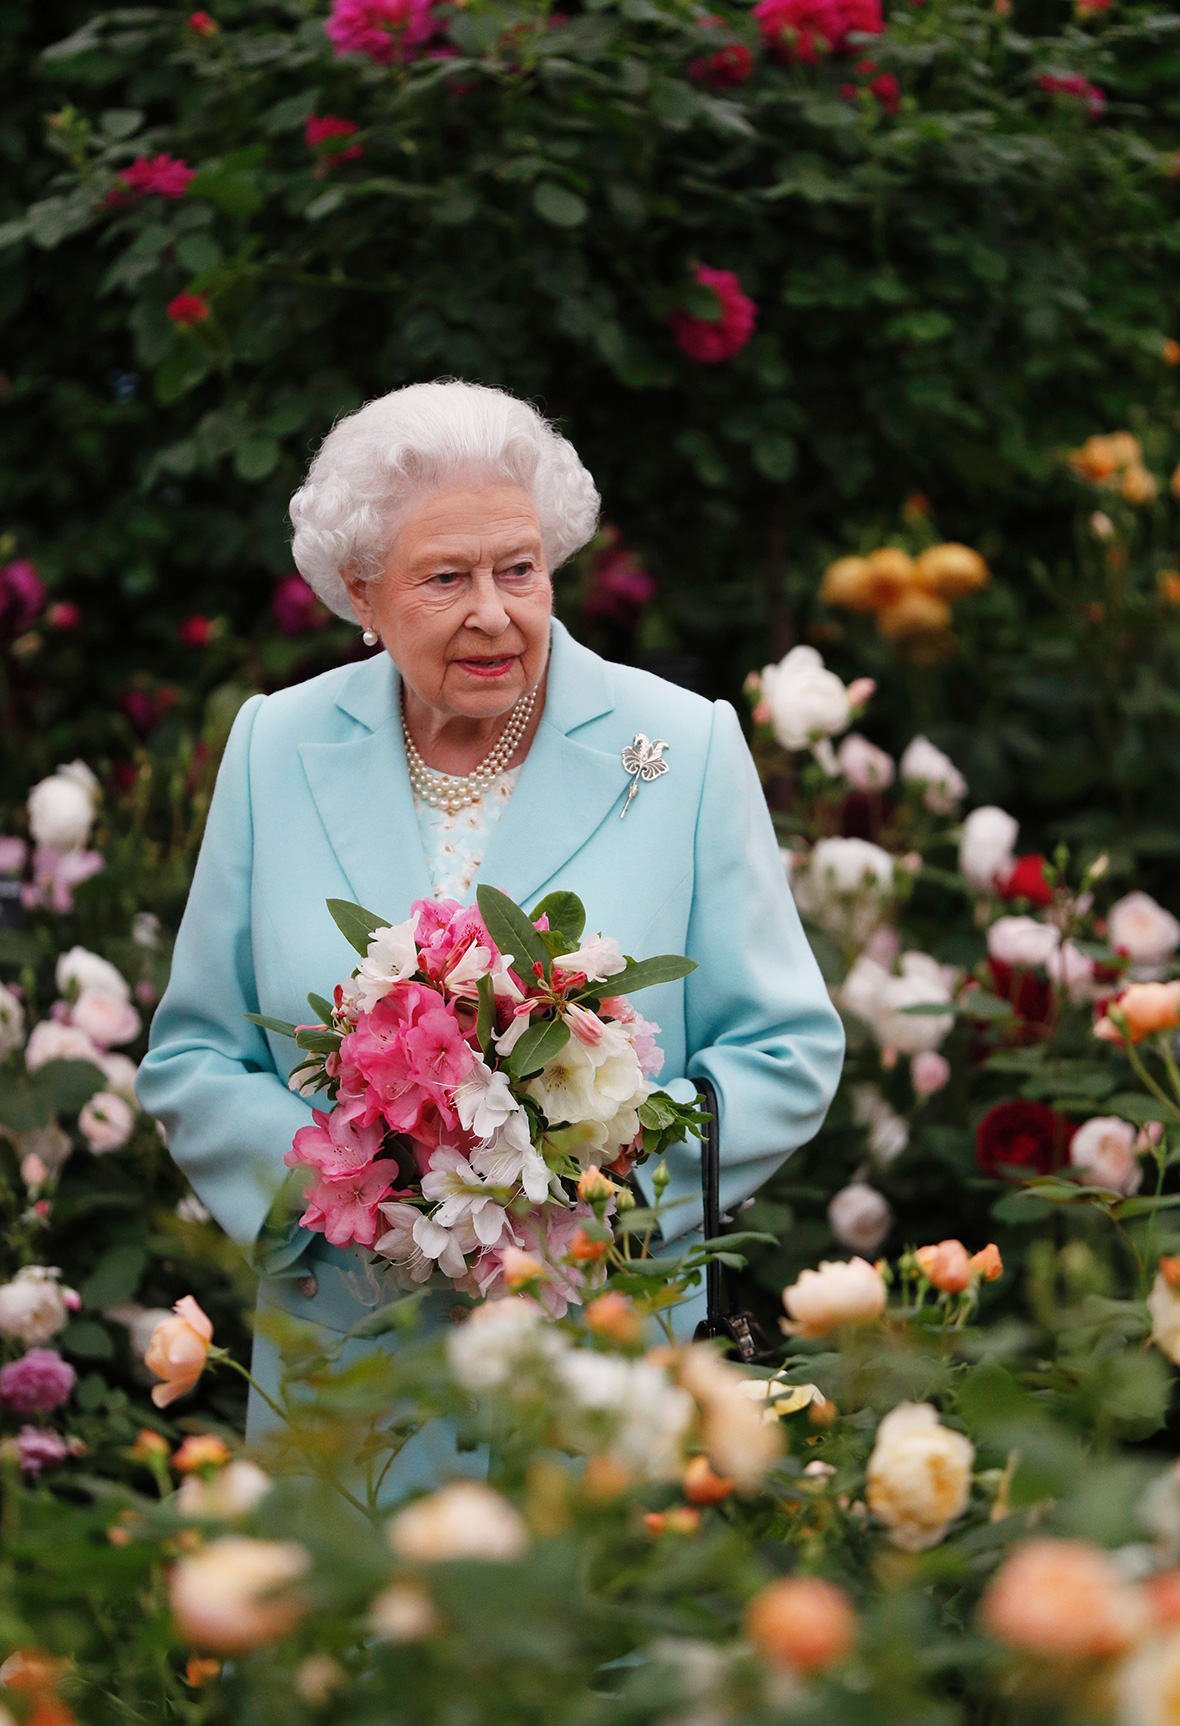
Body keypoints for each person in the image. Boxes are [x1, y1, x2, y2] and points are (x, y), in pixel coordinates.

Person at [137, 379, 844, 1474]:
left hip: (603, 1343)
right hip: (352, 1354)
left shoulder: (681, 745)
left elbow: (786, 1051)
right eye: (445, 577)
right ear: (362, 592)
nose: (494, 611)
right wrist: (351, 1196)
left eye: (520, 569)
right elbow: (193, 1056)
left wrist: (580, 1186)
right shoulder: (275, 747)